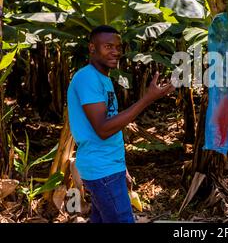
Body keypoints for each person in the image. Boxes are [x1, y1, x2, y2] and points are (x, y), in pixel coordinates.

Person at [67, 25, 175, 223]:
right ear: (92, 48)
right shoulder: (87, 78)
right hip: (102, 170)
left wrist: (122, 167)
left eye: (118, 47)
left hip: (109, 167)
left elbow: (110, 125)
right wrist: (147, 99)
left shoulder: (103, 78)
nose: (116, 52)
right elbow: (103, 129)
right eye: (108, 46)